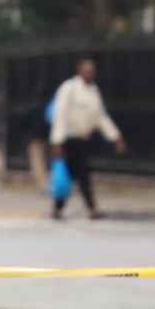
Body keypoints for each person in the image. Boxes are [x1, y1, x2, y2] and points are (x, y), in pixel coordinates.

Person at [50, 56, 125, 219]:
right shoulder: (69, 87)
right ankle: (65, 207)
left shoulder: (93, 91)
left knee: (82, 174)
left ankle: (82, 208)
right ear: (79, 70)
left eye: (92, 71)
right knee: (72, 174)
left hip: (83, 140)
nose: (90, 74)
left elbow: (101, 117)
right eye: (87, 70)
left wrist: (115, 136)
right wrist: (57, 141)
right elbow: (60, 114)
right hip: (68, 139)